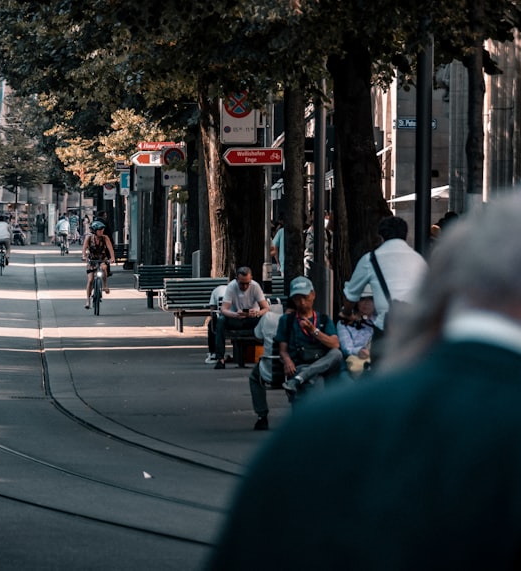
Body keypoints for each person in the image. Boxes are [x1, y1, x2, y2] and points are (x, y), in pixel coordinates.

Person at [207, 190, 521, 570]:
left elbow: (352, 292)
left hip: (387, 336)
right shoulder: (418, 260)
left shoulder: (320, 431)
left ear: (447, 288)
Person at [247, 275, 340, 430]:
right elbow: (283, 349)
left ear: (313, 295)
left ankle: (300, 380)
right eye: (297, 299)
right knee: (315, 381)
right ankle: (307, 417)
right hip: (300, 364)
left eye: (305, 297)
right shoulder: (287, 320)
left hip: (319, 363)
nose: (302, 303)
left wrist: (313, 331)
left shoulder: (323, 319)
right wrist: (287, 360)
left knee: (336, 354)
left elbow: (335, 344)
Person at [339, 215, 427, 352]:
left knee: (382, 368)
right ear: (405, 235)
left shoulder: (371, 259)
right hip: (415, 328)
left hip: (386, 328)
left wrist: (347, 312)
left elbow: (351, 295)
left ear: (381, 237)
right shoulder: (419, 259)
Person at [212, 266, 271, 369]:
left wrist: (257, 313)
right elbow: (224, 309)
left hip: (252, 318)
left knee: (267, 319)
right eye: (242, 283)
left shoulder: (255, 286)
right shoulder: (231, 287)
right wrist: (235, 314)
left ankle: (269, 356)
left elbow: (266, 308)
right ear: (236, 280)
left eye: (247, 283)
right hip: (235, 318)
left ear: (251, 279)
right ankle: (220, 358)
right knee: (221, 320)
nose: (245, 287)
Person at [338, 285, 377, 376]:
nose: (366, 303)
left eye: (370, 299)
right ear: (356, 302)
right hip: (353, 366)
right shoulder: (344, 322)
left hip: (378, 362)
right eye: (363, 299)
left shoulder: (380, 321)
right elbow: (346, 348)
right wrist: (359, 351)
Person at [81, 220, 115, 309]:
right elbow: (84, 248)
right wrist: (84, 256)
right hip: (91, 260)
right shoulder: (89, 238)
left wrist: (112, 258)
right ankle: (88, 300)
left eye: (102, 230)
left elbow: (110, 248)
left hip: (102, 259)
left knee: (104, 268)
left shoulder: (105, 238)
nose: (101, 231)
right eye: (99, 230)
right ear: (94, 231)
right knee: (90, 279)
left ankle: (105, 285)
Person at [205, 278, 231, 364]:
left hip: (223, 318)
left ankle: (213, 353)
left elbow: (212, 309)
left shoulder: (217, 290)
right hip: (240, 318)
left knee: (211, 324)